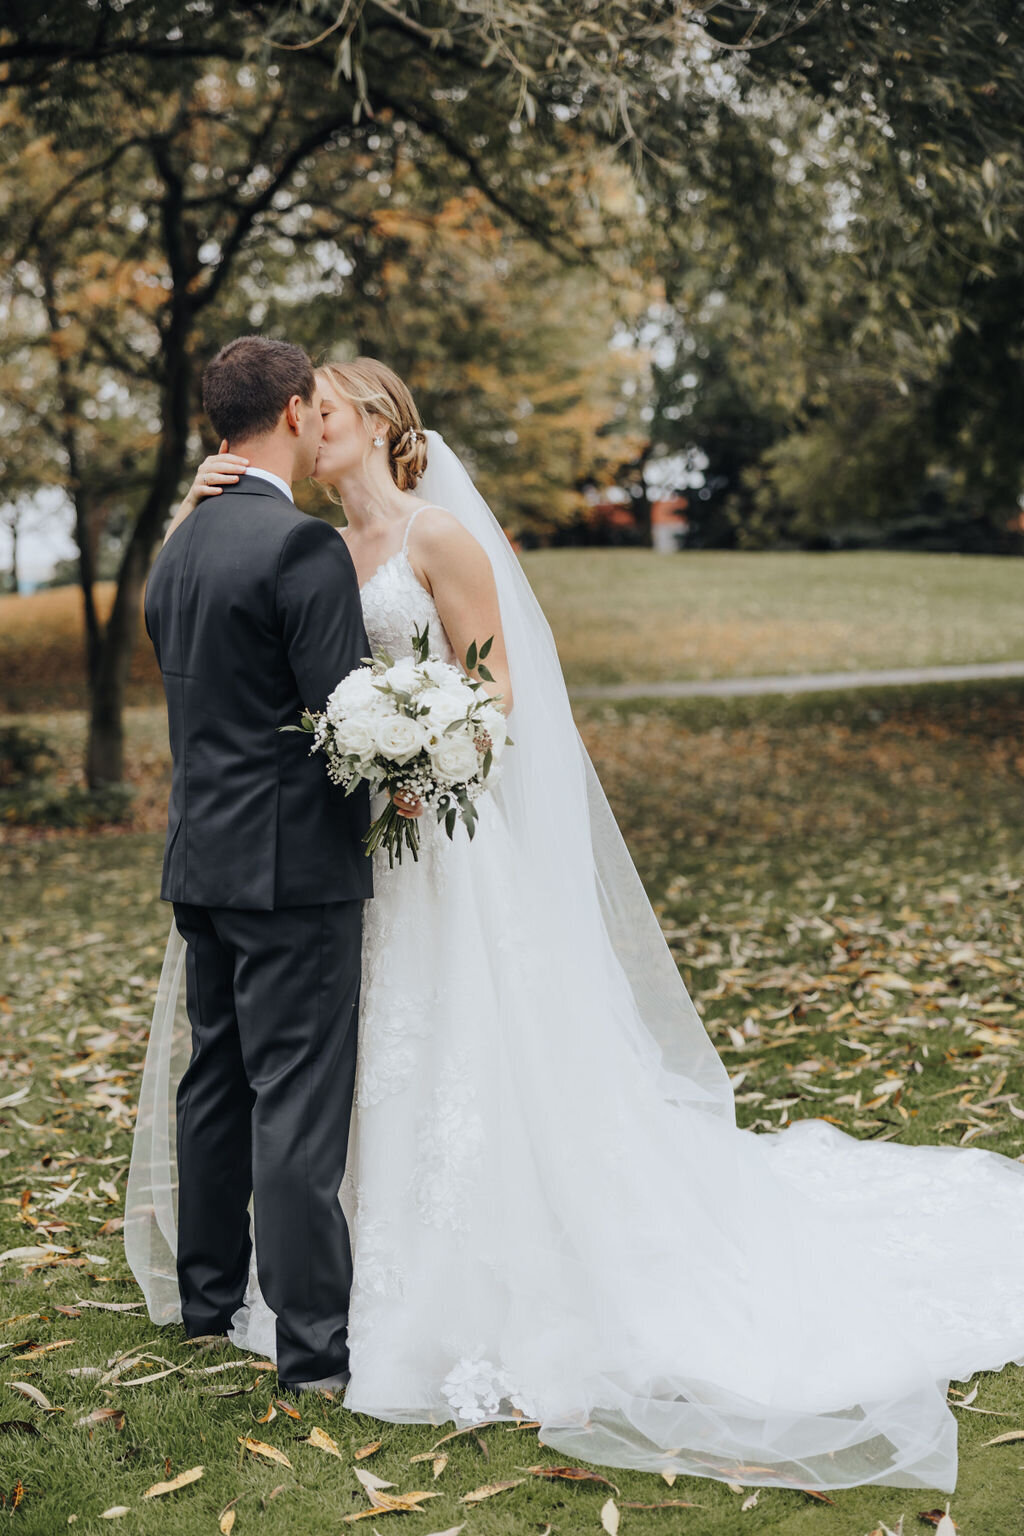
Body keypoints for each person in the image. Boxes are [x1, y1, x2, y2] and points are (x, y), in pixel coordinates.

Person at [128, 354, 1024, 1492]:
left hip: (431, 845)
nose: (326, 428)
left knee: (436, 1054)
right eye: (320, 412)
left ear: (375, 423)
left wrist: (429, 747)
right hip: (340, 856)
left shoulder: (434, 538)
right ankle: (324, 1285)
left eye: (343, 411)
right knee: (340, 1073)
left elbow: (495, 694)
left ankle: (424, 1282)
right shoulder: (305, 545)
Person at [131, 336, 371, 1393]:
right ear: (289, 406)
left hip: (202, 858)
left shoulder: (179, 546)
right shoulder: (302, 548)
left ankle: (206, 1299)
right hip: (293, 869)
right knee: (296, 1098)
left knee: (216, 1081)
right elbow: (348, 718)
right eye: (314, 401)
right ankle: (314, 1353)